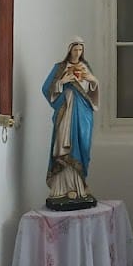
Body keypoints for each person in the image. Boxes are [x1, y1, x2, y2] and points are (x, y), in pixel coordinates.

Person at [41, 38, 99, 208]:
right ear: (69, 50)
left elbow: (93, 91)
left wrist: (92, 80)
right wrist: (62, 82)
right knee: (64, 144)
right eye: (75, 50)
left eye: (80, 50)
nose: (77, 53)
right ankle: (62, 188)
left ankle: (79, 186)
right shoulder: (60, 67)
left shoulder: (85, 67)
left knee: (82, 145)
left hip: (83, 113)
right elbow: (46, 89)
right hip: (66, 112)